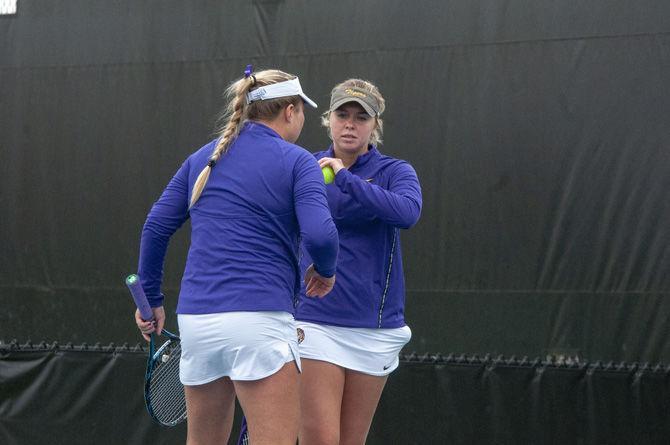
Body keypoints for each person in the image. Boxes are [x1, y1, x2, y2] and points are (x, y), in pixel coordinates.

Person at [134, 67, 339, 445]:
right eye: (303, 110)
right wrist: (325, 271)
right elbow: (322, 236)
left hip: (198, 323)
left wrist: (152, 301)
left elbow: (155, 227)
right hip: (260, 323)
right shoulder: (299, 162)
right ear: (290, 112)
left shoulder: (200, 160)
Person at [296, 79, 422, 445]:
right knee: (321, 440)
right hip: (315, 319)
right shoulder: (304, 168)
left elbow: (407, 213)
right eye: (343, 114)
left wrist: (345, 178)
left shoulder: (396, 171)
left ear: (374, 126)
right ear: (329, 120)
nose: (350, 124)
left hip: (374, 327)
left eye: (361, 117)